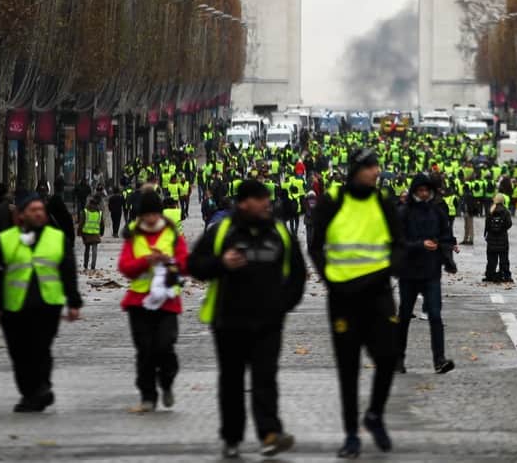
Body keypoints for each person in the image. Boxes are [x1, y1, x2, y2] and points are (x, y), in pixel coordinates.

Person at [190, 178, 306, 459]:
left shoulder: (279, 233)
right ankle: (232, 437)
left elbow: (298, 275)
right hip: (228, 321)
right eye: (260, 198)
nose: (267, 202)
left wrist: (281, 306)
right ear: (243, 203)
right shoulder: (221, 232)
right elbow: (194, 265)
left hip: (268, 322)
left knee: (265, 379)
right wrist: (221, 263)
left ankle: (269, 433)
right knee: (231, 381)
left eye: (267, 198)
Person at [308, 148, 404, 459]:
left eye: (377, 166)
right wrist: (329, 278)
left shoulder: (383, 202)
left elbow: (399, 242)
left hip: (378, 294)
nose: (376, 172)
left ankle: (374, 414)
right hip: (343, 297)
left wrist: (390, 270)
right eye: (369, 167)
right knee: (348, 369)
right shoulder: (332, 202)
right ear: (355, 170)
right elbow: (315, 244)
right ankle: (351, 435)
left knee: (389, 356)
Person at [0, 193, 83, 412]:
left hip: (47, 304)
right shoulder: (5, 240)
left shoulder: (57, 238)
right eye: (33, 210)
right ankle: (30, 392)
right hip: (14, 307)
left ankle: (40, 389)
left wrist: (73, 302)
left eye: (41, 209)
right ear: (21, 215)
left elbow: (68, 272)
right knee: (19, 353)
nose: (39, 213)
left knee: (40, 349)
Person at [118, 189, 189, 412]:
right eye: (145, 215)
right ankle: (148, 395)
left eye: (154, 214)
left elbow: (185, 264)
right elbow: (125, 267)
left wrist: (170, 261)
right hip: (139, 302)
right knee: (145, 350)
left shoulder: (172, 235)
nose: (150, 219)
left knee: (165, 346)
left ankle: (166, 382)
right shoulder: (133, 235)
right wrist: (145, 260)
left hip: (167, 301)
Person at [394, 173, 458, 375]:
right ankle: (398, 359)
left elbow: (446, 236)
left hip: (431, 272)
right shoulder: (404, 213)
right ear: (414, 192)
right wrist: (420, 245)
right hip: (409, 273)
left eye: (425, 191)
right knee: (404, 316)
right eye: (419, 191)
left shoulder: (437, 213)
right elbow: (397, 241)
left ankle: (439, 359)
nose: (423, 194)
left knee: (436, 316)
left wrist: (447, 252)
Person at [483, 193, 513, 283]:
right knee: (504, 258)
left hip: (491, 238)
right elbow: (509, 224)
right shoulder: (506, 211)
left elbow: (487, 224)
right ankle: (505, 275)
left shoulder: (491, 210)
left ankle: (490, 275)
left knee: (491, 259)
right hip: (502, 238)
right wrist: (502, 229)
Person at [79, 195, 104, 270]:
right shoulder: (99, 213)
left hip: (86, 233)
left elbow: (81, 222)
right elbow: (102, 224)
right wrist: (102, 232)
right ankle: (93, 265)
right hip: (96, 233)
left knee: (87, 249)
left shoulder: (85, 211)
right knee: (94, 250)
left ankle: (85, 264)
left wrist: (79, 231)